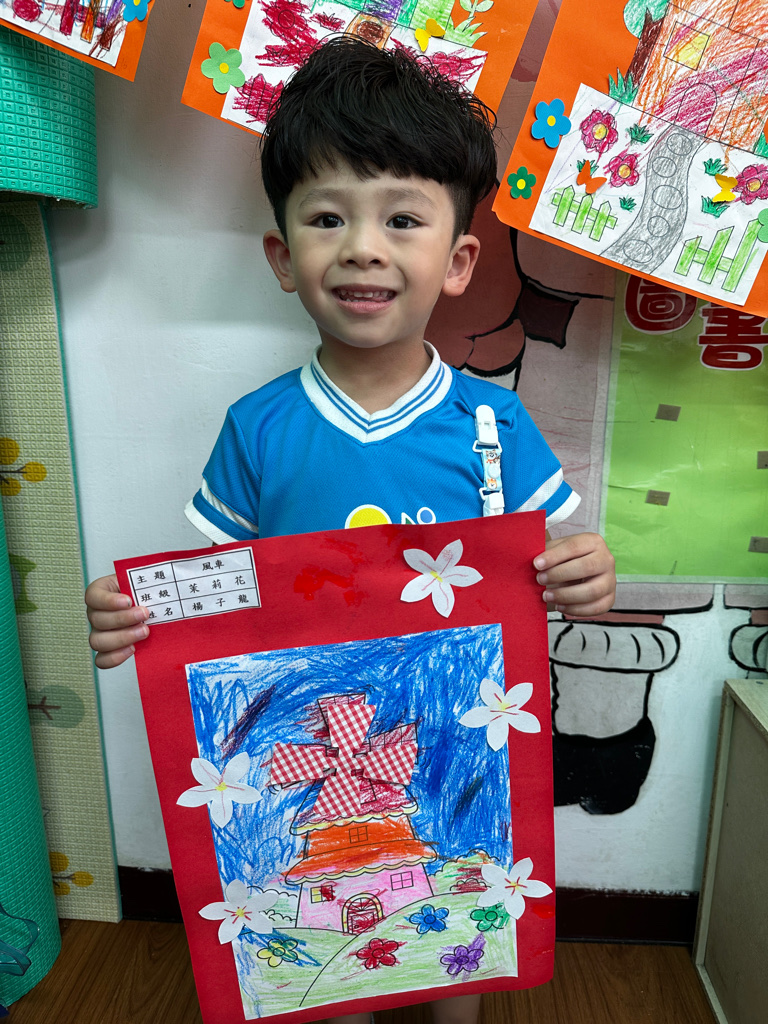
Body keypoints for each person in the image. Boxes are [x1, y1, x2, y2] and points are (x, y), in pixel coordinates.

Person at [86, 36, 616, 1024]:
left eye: (402, 219)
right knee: (333, 962)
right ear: (282, 257)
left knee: (462, 949)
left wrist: (586, 574)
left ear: (458, 261)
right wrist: (134, 616)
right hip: (308, 750)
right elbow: (216, 597)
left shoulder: (494, 426)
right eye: (328, 217)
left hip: (453, 744)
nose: (364, 247)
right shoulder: (259, 429)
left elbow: (557, 567)